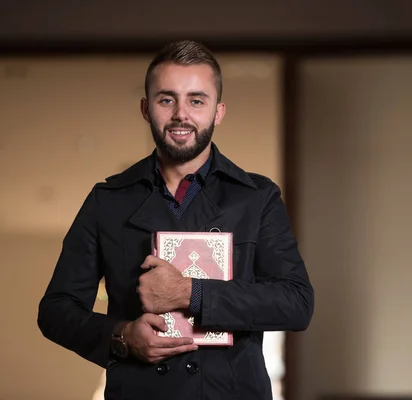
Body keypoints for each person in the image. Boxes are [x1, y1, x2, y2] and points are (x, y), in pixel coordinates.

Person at [37, 39, 314, 400]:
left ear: (218, 111)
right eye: (166, 99)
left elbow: (296, 304)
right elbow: (56, 311)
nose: (181, 114)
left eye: (196, 100)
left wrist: (190, 292)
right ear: (145, 108)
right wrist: (122, 336)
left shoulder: (257, 198)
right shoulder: (107, 201)